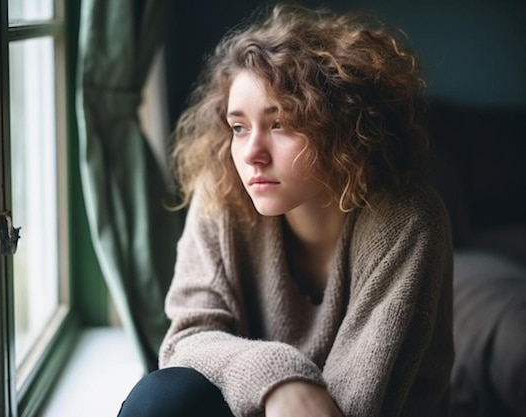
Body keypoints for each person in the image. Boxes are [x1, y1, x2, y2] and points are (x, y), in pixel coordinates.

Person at [118, 3, 453, 417]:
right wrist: (281, 379)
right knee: (162, 397)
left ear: (343, 127)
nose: (252, 154)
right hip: (260, 405)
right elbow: (187, 339)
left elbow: (356, 406)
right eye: (239, 128)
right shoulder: (221, 192)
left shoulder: (407, 221)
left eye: (281, 124)